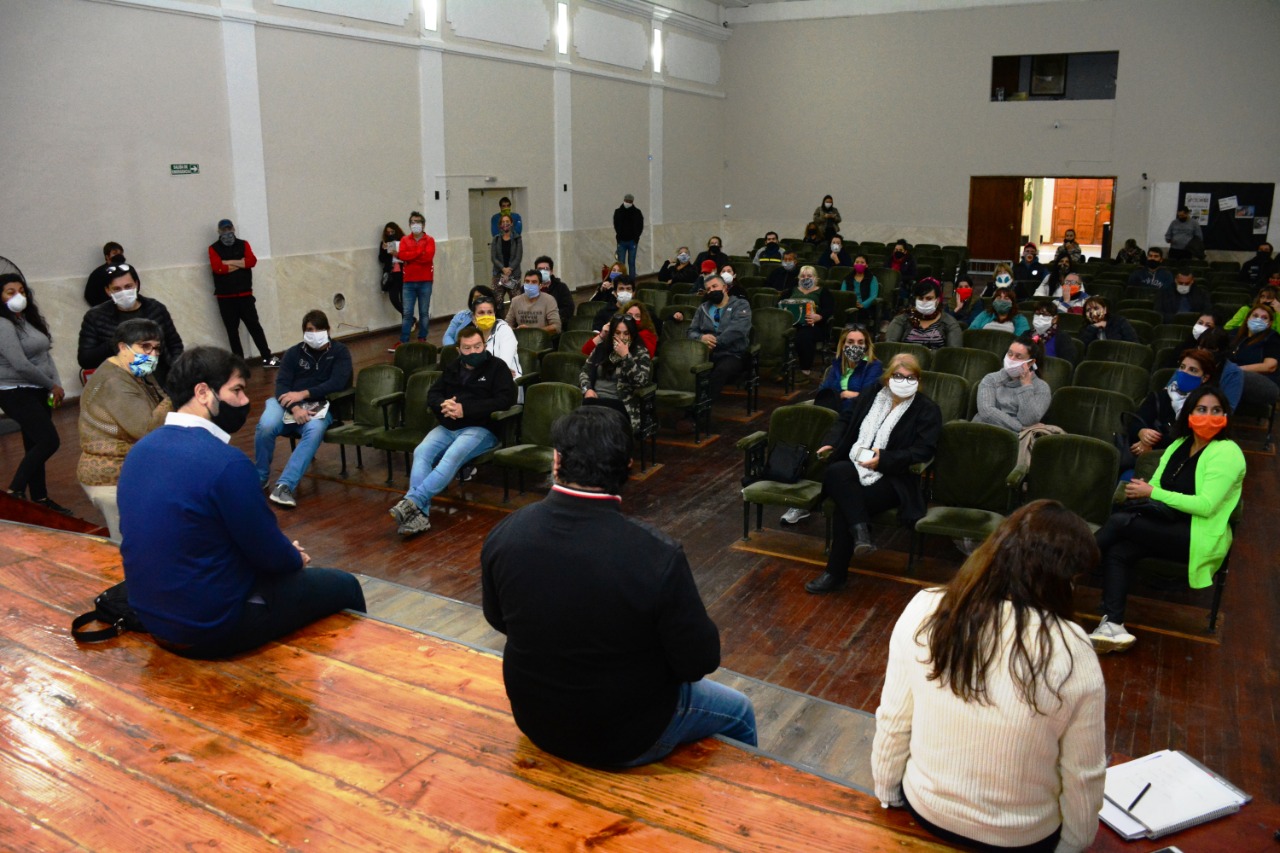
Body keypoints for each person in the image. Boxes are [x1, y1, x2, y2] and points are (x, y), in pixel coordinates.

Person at [481, 406, 757, 767]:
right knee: (741, 710)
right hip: (623, 737)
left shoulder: (507, 532)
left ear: (556, 461)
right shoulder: (657, 555)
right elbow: (699, 662)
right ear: (627, 467)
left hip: (536, 719)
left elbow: (497, 619)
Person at [873, 500, 1106, 852]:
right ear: (1062, 579)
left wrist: (887, 791)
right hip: (1021, 838)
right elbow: (1083, 774)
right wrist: (1073, 845)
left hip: (926, 809)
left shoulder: (926, 607)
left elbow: (894, 719)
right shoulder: (1073, 648)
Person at [118, 346, 366, 658]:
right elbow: (270, 555)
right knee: (345, 586)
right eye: (236, 390)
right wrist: (292, 557)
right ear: (203, 393)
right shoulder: (227, 463)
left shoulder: (140, 451)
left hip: (152, 618)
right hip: (210, 628)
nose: (245, 401)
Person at [1091, 384, 1244, 653]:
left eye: (1216, 410)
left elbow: (1206, 506)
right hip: (1167, 524)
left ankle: (1060, 569)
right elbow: (1158, 485)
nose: (1209, 416)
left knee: (1119, 522)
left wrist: (1152, 492)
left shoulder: (1228, 452)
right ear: (1189, 414)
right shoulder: (1178, 445)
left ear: (1225, 416)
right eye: (1202, 409)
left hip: (1200, 535)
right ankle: (1113, 625)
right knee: (1119, 551)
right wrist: (1149, 492)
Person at [805, 354, 941, 594]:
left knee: (846, 506)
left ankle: (835, 573)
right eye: (898, 376)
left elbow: (923, 450)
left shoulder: (927, 409)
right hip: (855, 465)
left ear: (918, 381)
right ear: (888, 378)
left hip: (893, 478)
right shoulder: (871, 394)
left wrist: (884, 459)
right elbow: (846, 419)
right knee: (836, 470)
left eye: (910, 377)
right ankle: (861, 531)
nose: (904, 381)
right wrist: (831, 441)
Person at [389, 325, 518, 536]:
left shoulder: (498, 367)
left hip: (481, 428)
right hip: (448, 426)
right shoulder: (453, 367)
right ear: (459, 350)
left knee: (452, 455)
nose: (473, 351)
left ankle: (412, 501)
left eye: (478, 346)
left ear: (484, 345)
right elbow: (433, 394)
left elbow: (505, 400)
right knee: (422, 452)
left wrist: (465, 409)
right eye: (467, 348)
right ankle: (419, 515)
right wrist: (443, 404)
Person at [77, 319, 169, 541]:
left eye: (156, 348)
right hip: (112, 478)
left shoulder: (132, 371)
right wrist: (176, 394)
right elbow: (146, 430)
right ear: (122, 347)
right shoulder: (114, 382)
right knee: (130, 545)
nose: (153, 354)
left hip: (126, 470)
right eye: (145, 346)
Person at [253, 310, 353, 509]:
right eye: (309, 330)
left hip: (319, 406)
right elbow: (281, 385)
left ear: (328, 330)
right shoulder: (293, 353)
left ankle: (285, 486)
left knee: (314, 430)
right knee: (266, 425)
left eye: (318, 329)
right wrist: (295, 407)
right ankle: (260, 477)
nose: (314, 334)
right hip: (286, 404)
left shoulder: (340, 352)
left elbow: (338, 382)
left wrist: (304, 394)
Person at [0, 274, 69, 514]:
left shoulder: (27, 320)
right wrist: (51, 385)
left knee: (34, 445)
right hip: (15, 391)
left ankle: (40, 499)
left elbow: (45, 355)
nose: (18, 296)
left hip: (39, 390)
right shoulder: (3, 324)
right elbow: (20, 364)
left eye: (21, 291)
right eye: (10, 292)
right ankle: (15, 491)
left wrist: (55, 384)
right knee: (48, 440)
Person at [76, 262, 184, 385]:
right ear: (108, 290)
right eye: (117, 289)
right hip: (122, 385)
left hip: (163, 382)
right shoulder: (96, 317)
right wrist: (114, 343)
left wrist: (176, 372)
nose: (124, 292)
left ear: (136, 285)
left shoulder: (156, 309)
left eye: (128, 286)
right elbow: (85, 359)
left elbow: (174, 344)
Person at [208, 219, 277, 367]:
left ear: (233, 229)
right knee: (232, 332)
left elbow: (251, 261)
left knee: (255, 327)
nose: (227, 232)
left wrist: (228, 262)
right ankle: (240, 364)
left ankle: (267, 358)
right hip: (225, 299)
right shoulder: (213, 248)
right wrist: (240, 263)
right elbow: (218, 268)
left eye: (229, 229)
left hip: (245, 296)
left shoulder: (243, 244)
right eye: (224, 230)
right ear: (219, 231)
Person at [1129, 349, 1217, 459]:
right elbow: (1136, 421)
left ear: (1204, 378)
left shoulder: (1206, 406)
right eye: (1182, 367)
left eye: (1192, 370)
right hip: (1148, 456)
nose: (1184, 372)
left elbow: (1189, 439)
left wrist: (1152, 446)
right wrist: (1141, 432)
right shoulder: (1160, 396)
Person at [579, 314, 652, 433]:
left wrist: (626, 357)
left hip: (621, 403)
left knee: (597, 427)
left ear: (632, 334)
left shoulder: (640, 353)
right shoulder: (601, 348)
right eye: (617, 333)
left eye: (626, 333)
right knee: (579, 424)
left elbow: (641, 382)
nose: (621, 337)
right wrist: (587, 389)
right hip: (594, 399)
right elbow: (585, 371)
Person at [687, 274, 752, 401]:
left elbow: (737, 330)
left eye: (714, 286)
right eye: (708, 289)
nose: (711, 290)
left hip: (732, 353)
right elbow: (691, 331)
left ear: (724, 287)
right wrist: (701, 338)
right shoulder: (703, 308)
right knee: (688, 367)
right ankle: (689, 400)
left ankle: (703, 404)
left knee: (721, 371)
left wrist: (714, 342)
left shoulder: (741, 305)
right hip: (706, 352)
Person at [972, 335, 1051, 432]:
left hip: (1015, 438)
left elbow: (1028, 421)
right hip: (983, 429)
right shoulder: (991, 379)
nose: (1012, 359)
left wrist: (1026, 386)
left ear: (1030, 362)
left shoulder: (1041, 387)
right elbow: (986, 411)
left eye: (1018, 356)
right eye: (1010, 354)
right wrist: (1020, 427)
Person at [813, 324, 883, 416]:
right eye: (850, 342)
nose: (855, 346)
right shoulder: (837, 364)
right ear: (843, 345)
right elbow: (822, 393)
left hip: (854, 416)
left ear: (866, 346)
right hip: (831, 413)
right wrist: (842, 395)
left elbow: (867, 398)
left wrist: (836, 397)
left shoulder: (873, 366)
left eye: (860, 342)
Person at [1227, 302, 1280, 410]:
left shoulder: (1272, 338)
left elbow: (1270, 366)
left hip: (1264, 381)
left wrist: (1236, 369)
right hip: (1232, 375)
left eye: (1264, 318)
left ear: (1269, 323)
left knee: (1230, 376)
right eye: (1255, 316)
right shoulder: (1234, 334)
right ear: (1247, 318)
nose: (1258, 320)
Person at [394, 210, 436, 350]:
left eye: (417, 222)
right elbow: (402, 255)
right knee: (407, 313)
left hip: (425, 281)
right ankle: (404, 340)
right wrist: (419, 252)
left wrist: (411, 256)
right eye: (412, 222)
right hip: (409, 282)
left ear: (423, 225)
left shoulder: (429, 240)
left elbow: (427, 258)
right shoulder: (405, 240)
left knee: (424, 312)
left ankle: (422, 338)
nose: (415, 224)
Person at [783, 265, 834, 378]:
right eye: (803, 276)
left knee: (804, 336)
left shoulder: (823, 291)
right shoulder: (791, 290)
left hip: (813, 325)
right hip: (790, 324)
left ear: (815, 278)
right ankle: (780, 367)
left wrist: (819, 316)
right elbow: (780, 304)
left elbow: (829, 309)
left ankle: (804, 368)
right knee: (781, 334)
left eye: (809, 276)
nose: (806, 278)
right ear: (798, 278)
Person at [884, 278, 963, 350]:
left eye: (929, 298)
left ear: (937, 300)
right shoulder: (902, 319)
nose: (924, 302)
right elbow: (889, 347)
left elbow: (954, 353)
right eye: (920, 298)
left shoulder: (949, 323)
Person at [472, 294, 521, 380]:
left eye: (490, 312)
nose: (486, 316)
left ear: (494, 314)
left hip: (508, 381)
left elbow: (503, 365)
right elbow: (468, 364)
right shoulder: (472, 334)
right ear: (474, 317)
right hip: (481, 380)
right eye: (481, 313)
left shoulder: (505, 330)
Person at [1194, 328, 1244, 411]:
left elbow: (1228, 408)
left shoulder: (1233, 373)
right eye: (1201, 347)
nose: (1204, 352)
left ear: (1223, 350)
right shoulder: (1189, 362)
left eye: (1211, 349)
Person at [585, 300, 658, 358]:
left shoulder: (647, 334)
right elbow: (586, 351)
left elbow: (646, 357)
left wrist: (624, 354)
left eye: (637, 316)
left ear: (643, 319)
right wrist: (602, 335)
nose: (632, 318)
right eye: (629, 315)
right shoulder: (614, 331)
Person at [507, 269, 562, 335]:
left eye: (534, 282)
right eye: (527, 281)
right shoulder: (515, 301)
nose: (530, 284)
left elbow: (556, 327)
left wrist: (532, 332)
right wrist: (518, 331)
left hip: (542, 339)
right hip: (521, 339)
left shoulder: (549, 300)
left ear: (540, 285)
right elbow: (506, 324)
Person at [534, 256, 575, 326]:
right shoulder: (528, 288)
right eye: (539, 269)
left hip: (554, 324)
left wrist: (549, 318)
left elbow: (568, 309)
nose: (542, 272)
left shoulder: (561, 287)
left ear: (551, 272)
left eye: (546, 269)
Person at [83, 241, 125, 307]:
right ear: (107, 257)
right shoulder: (98, 273)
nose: (119, 256)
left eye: (121, 253)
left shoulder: (127, 270)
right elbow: (89, 295)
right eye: (115, 253)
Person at [490, 213, 523, 291]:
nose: (505, 224)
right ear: (500, 225)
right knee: (496, 297)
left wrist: (509, 269)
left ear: (511, 223)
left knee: (516, 297)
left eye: (507, 221)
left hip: (514, 274)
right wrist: (503, 269)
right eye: (503, 222)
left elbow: (518, 257)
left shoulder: (517, 238)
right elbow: (493, 257)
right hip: (498, 274)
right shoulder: (496, 239)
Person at [613, 193, 643, 277]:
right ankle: (619, 280)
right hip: (621, 241)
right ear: (624, 200)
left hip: (632, 242)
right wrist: (619, 237)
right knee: (620, 263)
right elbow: (616, 225)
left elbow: (640, 226)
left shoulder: (637, 212)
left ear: (632, 202)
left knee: (632, 262)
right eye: (626, 201)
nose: (628, 203)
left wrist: (636, 238)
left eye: (630, 201)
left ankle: (632, 281)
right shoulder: (618, 212)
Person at [378, 222, 405, 315]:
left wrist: (396, 253)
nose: (390, 234)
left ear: (396, 231)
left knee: (405, 300)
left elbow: (408, 257)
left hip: (403, 273)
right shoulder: (384, 243)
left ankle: (407, 321)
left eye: (392, 232)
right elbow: (381, 259)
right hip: (392, 274)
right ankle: (409, 317)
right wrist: (384, 250)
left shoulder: (403, 241)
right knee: (394, 299)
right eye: (388, 232)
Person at [885, 239, 918, 305]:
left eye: (900, 250)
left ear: (905, 251)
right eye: (896, 250)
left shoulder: (910, 260)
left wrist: (899, 278)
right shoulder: (889, 259)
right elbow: (885, 271)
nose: (897, 252)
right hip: (888, 284)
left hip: (902, 285)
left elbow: (913, 275)